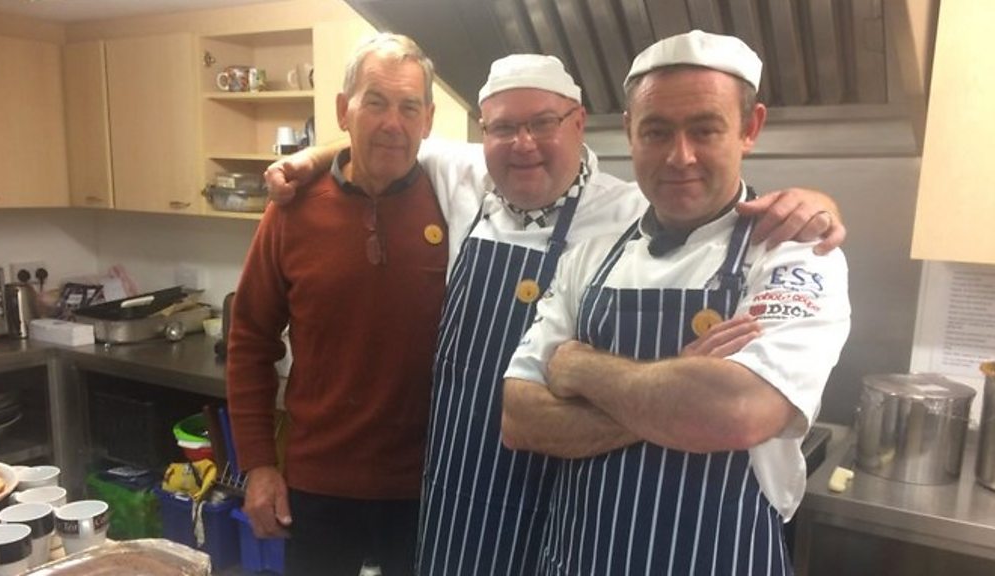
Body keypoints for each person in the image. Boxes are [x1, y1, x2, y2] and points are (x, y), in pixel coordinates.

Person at [264, 55, 846, 576]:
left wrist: (575, 365)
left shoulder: (631, 210)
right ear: (483, 134)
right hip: (453, 498)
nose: (523, 143)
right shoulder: (471, 180)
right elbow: (376, 139)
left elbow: (737, 411)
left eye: (544, 123)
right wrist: (302, 161)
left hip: (561, 507)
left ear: (580, 123)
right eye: (503, 128)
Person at [501, 30, 852, 575]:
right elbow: (520, 418)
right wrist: (678, 397)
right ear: (629, 131)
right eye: (657, 131)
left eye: (705, 130)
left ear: (750, 128)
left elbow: (738, 412)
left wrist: (577, 366)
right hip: (578, 558)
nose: (679, 156)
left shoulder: (794, 254)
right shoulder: (587, 258)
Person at [226, 33, 447, 576]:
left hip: (429, 486)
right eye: (375, 102)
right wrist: (258, 465)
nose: (392, 123)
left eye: (409, 107)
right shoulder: (291, 209)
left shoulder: (456, 200)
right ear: (344, 110)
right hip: (318, 485)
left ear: (428, 119)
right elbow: (250, 339)